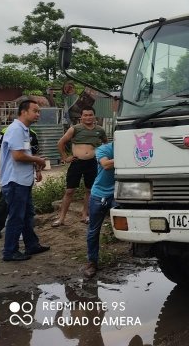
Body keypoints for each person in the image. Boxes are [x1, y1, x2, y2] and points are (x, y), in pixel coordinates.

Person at [0, 99, 50, 261]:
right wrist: (37, 160)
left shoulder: (24, 130)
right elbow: (18, 156)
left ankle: (31, 245)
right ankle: (10, 252)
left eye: (39, 111)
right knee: (16, 217)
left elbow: (23, 154)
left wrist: (35, 163)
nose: (38, 114)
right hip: (15, 182)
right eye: (35, 111)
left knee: (27, 214)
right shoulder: (15, 129)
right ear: (23, 112)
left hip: (23, 181)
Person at [54, 107, 108, 227]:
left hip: (93, 163)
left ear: (94, 116)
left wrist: (103, 157)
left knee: (89, 190)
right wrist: (65, 157)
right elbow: (60, 143)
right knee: (69, 191)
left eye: (90, 115)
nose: (88, 117)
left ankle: (85, 215)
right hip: (77, 163)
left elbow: (106, 144)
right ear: (81, 117)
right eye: (85, 115)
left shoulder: (100, 130)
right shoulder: (75, 129)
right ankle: (61, 218)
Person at [0, 125, 40, 240]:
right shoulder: (9, 130)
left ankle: (24, 234)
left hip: (24, 175)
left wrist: (38, 170)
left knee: (25, 204)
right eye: (34, 111)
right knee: (4, 201)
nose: (37, 115)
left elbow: (34, 154)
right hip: (10, 174)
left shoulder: (32, 134)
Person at [84, 142, 114, 279]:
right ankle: (92, 262)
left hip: (120, 194)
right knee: (93, 230)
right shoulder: (103, 149)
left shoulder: (134, 148)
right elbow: (106, 165)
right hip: (99, 194)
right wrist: (129, 157)